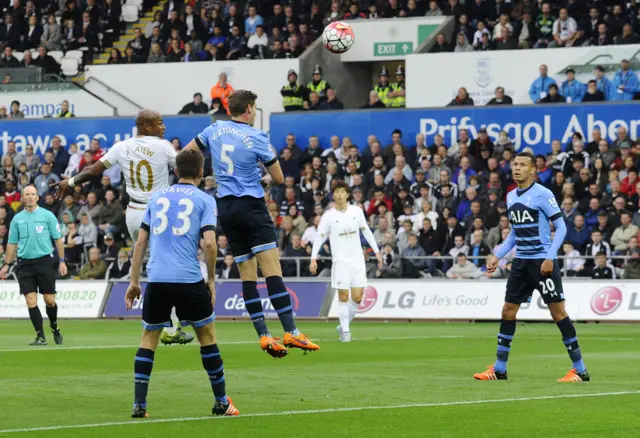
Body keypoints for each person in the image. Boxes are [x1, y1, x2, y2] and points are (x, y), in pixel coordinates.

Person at [184, 90, 319, 358]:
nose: (256, 112)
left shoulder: (215, 129)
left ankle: (264, 335)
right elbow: (279, 178)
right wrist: (263, 179)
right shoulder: (257, 137)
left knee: (248, 275)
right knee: (272, 270)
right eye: (255, 108)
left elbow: (187, 153)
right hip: (251, 206)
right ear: (247, 109)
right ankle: (290, 330)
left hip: (226, 208)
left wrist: (207, 175)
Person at [50, 109, 194, 346]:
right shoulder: (164, 146)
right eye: (159, 123)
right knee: (166, 267)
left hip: (134, 214)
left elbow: (93, 170)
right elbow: (184, 170)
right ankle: (168, 325)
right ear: (146, 126)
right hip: (157, 212)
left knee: (155, 265)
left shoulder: (121, 146)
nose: (164, 127)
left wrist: (71, 182)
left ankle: (170, 320)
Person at [125, 148, 239, 418]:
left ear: (176, 171)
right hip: (188, 278)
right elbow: (210, 243)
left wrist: (134, 281)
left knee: (148, 338)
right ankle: (221, 402)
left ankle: (139, 405)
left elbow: (141, 242)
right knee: (207, 337)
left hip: (157, 279)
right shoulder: (205, 200)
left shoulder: (157, 197)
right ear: (201, 173)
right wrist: (211, 280)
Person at [474, 151, 589, 382]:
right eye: (515, 164)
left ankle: (580, 369)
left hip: (541, 262)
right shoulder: (510, 196)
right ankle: (499, 368)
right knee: (508, 310)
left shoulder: (542, 194)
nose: (517, 168)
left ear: (532, 170)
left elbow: (561, 227)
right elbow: (515, 233)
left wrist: (549, 257)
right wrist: (498, 256)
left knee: (558, 312)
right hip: (521, 263)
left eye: (522, 165)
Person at [309, 181, 382, 342]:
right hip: (340, 262)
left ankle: (343, 324)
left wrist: (377, 252)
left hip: (357, 261)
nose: (340, 195)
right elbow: (320, 236)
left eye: (343, 191)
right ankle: (346, 333)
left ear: (347, 194)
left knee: (357, 297)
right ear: (333, 195)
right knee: (343, 295)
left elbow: (367, 231)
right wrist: (313, 257)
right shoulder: (328, 216)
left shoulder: (357, 211)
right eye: (337, 192)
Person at [0, 186, 68, 345]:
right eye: (26, 195)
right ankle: (40, 336)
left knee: (50, 300)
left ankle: (54, 327)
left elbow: (58, 239)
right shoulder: (17, 219)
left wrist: (62, 262)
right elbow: (12, 243)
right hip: (24, 263)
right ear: (22, 198)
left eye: (32, 194)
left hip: (45, 262)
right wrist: (6, 264)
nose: (29, 197)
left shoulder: (47, 215)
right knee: (31, 300)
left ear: (37, 197)